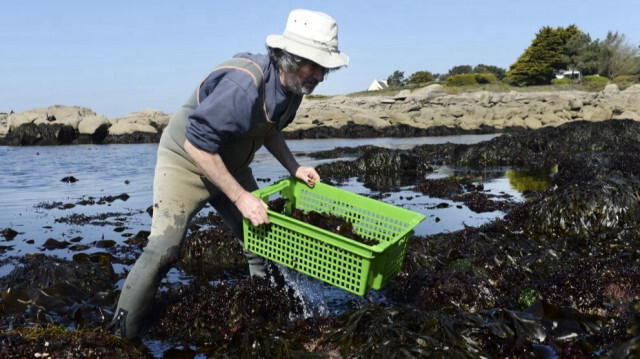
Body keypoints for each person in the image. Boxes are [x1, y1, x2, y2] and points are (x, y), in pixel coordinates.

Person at [110, 8, 349, 339]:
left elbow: (269, 130)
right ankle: (121, 336)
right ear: (291, 57)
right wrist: (240, 197)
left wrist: (294, 168)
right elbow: (196, 144)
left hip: (232, 166)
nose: (321, 76)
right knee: (164, 251)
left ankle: (267, 320)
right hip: (186, 161)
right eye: (317, 66)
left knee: (264, 241)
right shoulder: (244, 83)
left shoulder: (294, 87)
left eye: (326, 68)